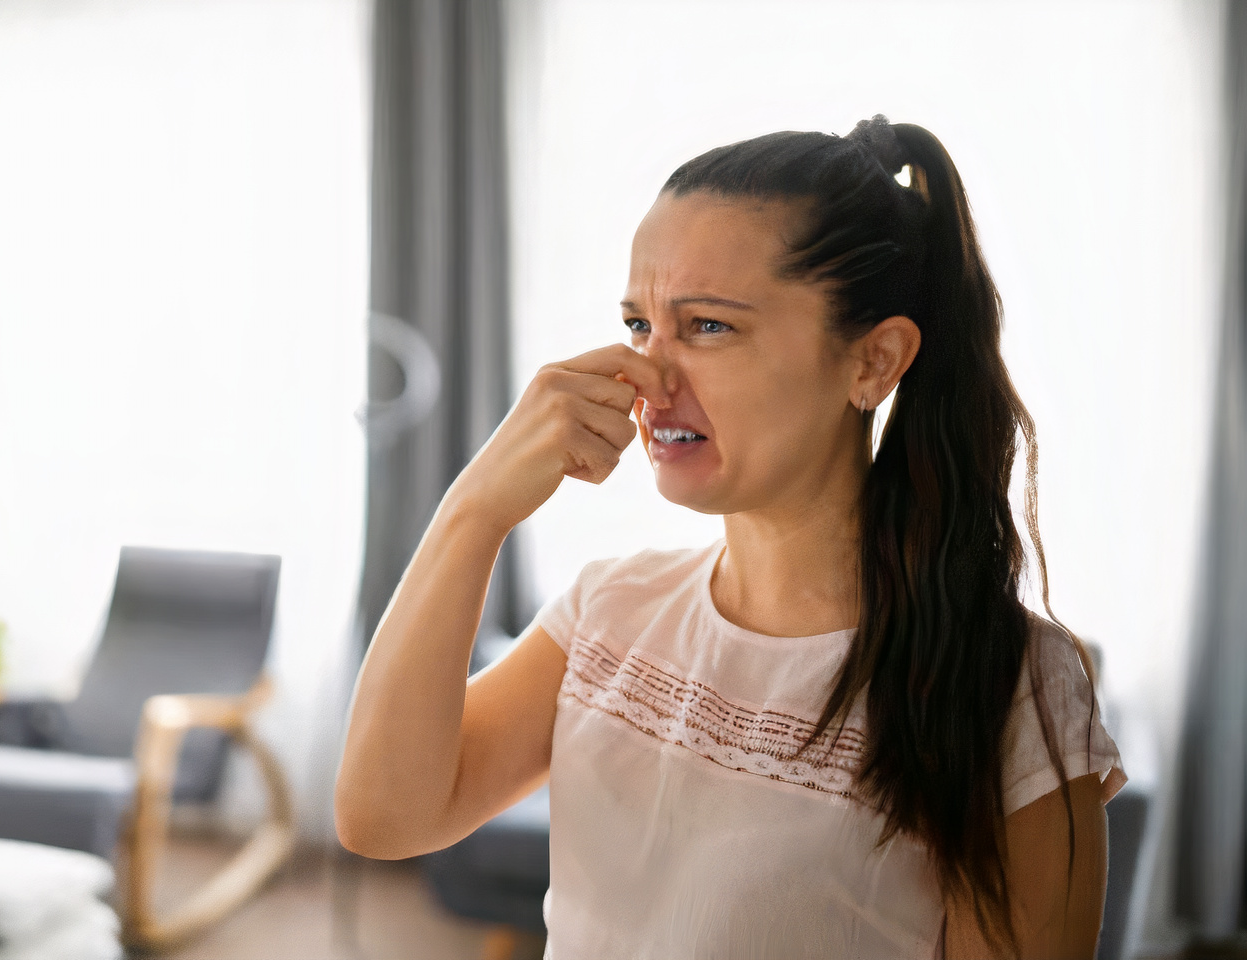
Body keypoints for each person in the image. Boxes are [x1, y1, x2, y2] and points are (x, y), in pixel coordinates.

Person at [335, 116, 1126, 959]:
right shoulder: (609, 611)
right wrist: (475, 508)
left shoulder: (1010, 688)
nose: (649, 376)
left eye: (708, 326)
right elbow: (385, 817)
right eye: (640, 323)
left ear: (874, 361)